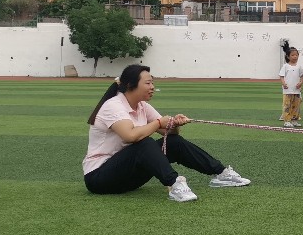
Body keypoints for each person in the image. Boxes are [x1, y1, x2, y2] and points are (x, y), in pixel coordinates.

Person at [82, 64, 250, 202]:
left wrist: (174, 124)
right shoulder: (113, 106)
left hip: (127, 178)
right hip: (100, 179)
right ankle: (174, 184)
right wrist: (158, 123)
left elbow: (168, 132)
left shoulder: (142, 106)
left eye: (152, 83)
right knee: (144, 142)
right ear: (130, 85)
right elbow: (131, 136)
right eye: (148, 83)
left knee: (173, 142)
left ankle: (221, 173)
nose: (152, 87)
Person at [278, 42, 303, 127]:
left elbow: (302, 77)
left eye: (296, 55)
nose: (295, 57)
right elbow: (281, 76)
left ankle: (294, 120)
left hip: (296, 90)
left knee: (296, 106)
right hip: (287, 90)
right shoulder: (285, 66)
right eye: (293, 55)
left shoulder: (299, 67)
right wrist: (284, 84)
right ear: (288, 56)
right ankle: (287, 120)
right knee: (287, 105)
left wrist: (300, 83)